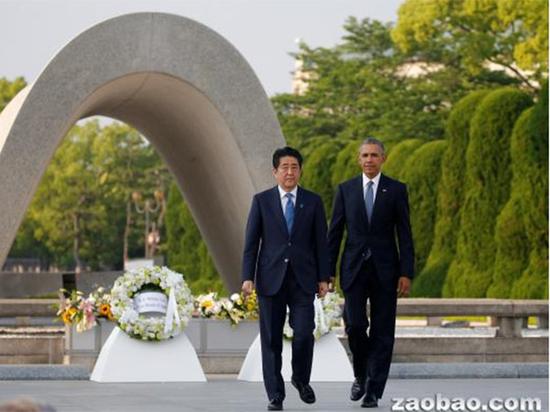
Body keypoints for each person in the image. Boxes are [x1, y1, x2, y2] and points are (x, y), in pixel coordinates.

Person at [327, 138, 414, 408]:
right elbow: (335, 234)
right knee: (354, 325)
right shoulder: (346, 190)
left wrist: (406, 272)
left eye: (374, 155)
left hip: (386, 271)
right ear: (358, 159)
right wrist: (327, 272)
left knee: (383, 330)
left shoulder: (397, 190)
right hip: (353, 269)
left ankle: (374, 390)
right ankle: (360, 374)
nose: (369, 160)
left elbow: (405, 235)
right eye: (365, 155)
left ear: (383, 159)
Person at [241, 146, 329, 411]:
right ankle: (275, 394)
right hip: (270, 278)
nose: (290, 172)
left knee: (304, 332)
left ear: (300, 170)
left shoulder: (313, 202)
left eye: (294, 167)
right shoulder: (262, 201)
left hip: (303, 279)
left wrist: (324, 277)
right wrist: (247, 276)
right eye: (285, 167)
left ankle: (301, 379)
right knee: (271, 340)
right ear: (275, 172)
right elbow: (251, 242)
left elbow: (321, 243)